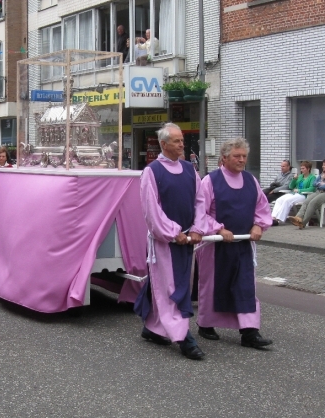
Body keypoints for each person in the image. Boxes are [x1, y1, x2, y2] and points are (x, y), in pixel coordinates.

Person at [133, 122, 205, 360]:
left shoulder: (189, 170)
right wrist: (174, 232)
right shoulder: (152, 172)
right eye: (176, 141)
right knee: (170, 288)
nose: (182, 144)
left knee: (174, 283)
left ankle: (152, 327)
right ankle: (184, 337)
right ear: (163, 144)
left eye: (182, 140)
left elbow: (200, 202)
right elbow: (151, 210)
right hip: (165, 241)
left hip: (186, 238)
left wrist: (196, 228)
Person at [195, 137, 273, 349]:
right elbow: (200, 211)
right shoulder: (210, 181)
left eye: (244, 156)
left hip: (243, 244)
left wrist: (258, 226)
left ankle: (250, 332)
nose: (241, 160)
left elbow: (262, 208)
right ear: (224, 158)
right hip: (216, 245)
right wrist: (219, 229)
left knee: (245, 286)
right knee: (212, 285)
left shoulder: (251, 181)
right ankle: (206, 323)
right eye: (236, 156)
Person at [271, 161, 316, 225]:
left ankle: (279, 220)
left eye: (303, 168)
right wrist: (294, 180)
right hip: (294, 194)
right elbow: (290, 186)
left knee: (287, 201)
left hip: (304, 195)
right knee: (279, 200)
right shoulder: (300, 176)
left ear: (308, 169)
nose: (301, 170)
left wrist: (299, 190)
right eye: (301, 168)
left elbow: (312, 188)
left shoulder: (312, 177)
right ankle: (272, 218)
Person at [288, 162, 325, 229]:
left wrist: (320, 184)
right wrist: (321, 182)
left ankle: (302, 223)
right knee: (306, 202)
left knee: (312, 203)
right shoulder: (322, 174)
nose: (323, 166)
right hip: (318, 191)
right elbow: (314, 184)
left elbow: (321, 186)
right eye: (323, 165)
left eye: (324, 165)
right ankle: (298, 218)